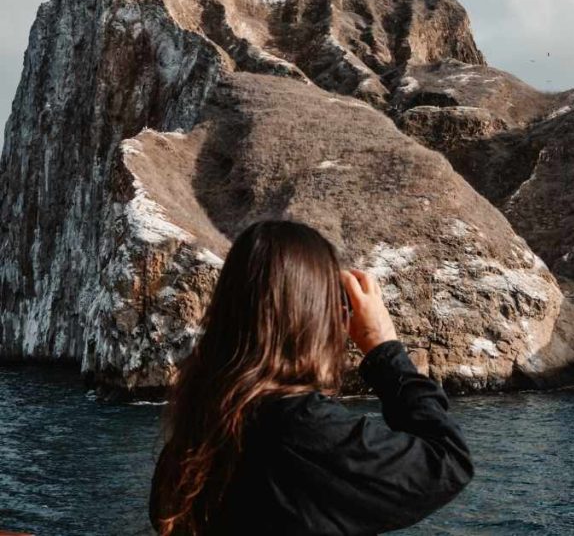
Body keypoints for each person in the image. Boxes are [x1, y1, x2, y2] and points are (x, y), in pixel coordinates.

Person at [148, 219, 473, 535]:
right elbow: (447, 460)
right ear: (313, 316)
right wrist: (383, 346)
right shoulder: (300, 429)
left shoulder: (195, 434)